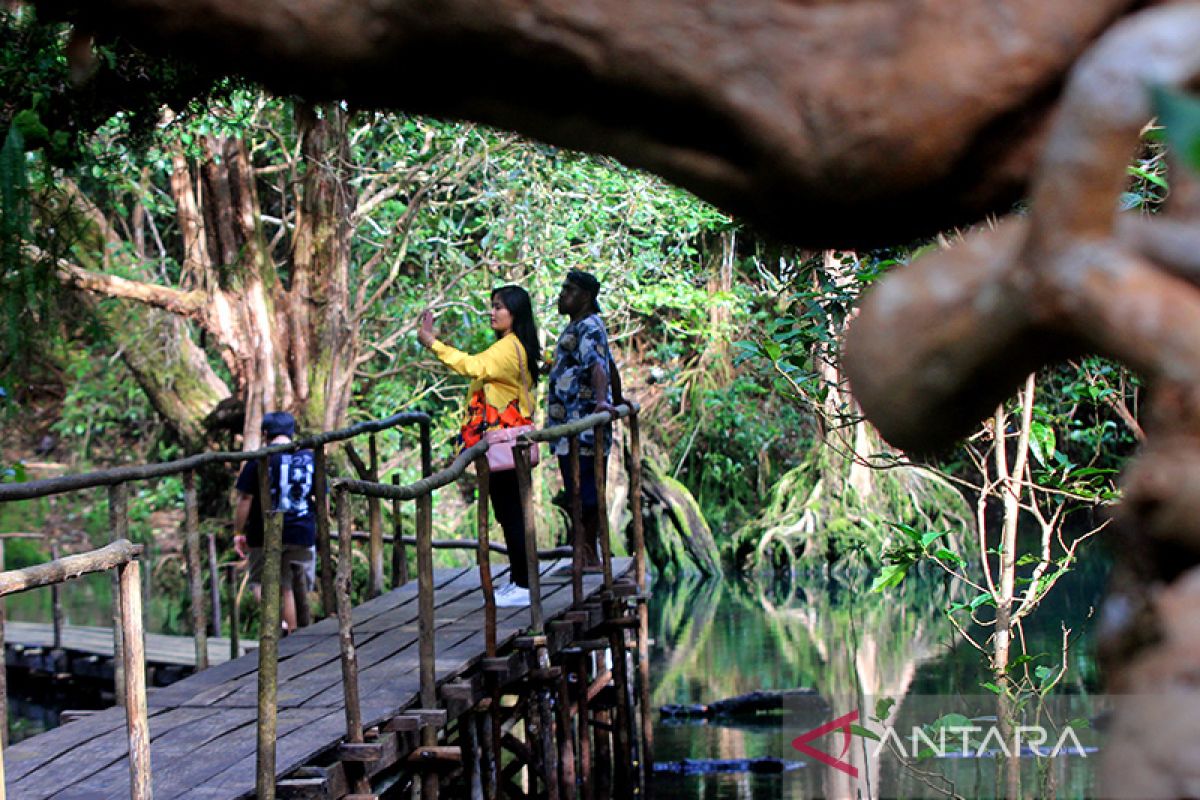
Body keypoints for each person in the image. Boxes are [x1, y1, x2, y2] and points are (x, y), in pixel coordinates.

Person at [418, 286, 541, 607]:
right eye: (492, 306)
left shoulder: (507, 348)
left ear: (514, 312)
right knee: (510, 511)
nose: (492, 312)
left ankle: (524, 585)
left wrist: (432, 343)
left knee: (510, 512)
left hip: (506, 443)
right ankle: (520, 580)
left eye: (498, 307)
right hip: (512, 443)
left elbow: (472, 366)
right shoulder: (514, 345)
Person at [547, 270, 618, 568]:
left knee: (584, 491)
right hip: (568, 428)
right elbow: (610, 362)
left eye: (570, 290)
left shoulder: (588, 326)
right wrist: (621, 395)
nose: (562, 295)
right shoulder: (578, 327)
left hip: (583, 426)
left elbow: (599, 366)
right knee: (577, 489)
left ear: (586, 297)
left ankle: (587, 554)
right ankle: (586, 552)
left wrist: (603, 401)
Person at [233, 411, 317, 634]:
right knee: (292, 585)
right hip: (301, 529)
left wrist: (239, 532)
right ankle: (294, 632)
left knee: (260, 581)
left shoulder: (259, 459)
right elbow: (322, 498)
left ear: (265, 434)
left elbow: (245, 498)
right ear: (292, 433)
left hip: (264, 531)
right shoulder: (310, 458)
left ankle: (278, 625)